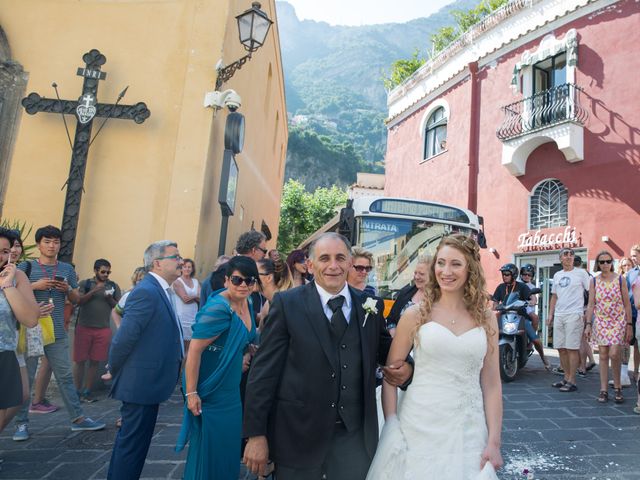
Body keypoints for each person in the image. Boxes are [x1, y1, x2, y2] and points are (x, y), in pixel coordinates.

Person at [242, 232, 412, 480]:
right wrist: (256, 435)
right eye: (324, 258)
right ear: (310, 265)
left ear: (349, 263)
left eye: (340, 258)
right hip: (298, 437)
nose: (333, 266)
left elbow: (387, 353)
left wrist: (408, 368)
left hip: (354, 442)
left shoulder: (370, 306)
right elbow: (263, 373)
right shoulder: (287, 304)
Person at [367, 234, 502, 479]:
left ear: (470, 268)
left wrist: (494, 440)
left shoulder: (486, 317)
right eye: (441, 263)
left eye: (455, 264)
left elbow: (492, 382)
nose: (446, 271)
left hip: (468, 429)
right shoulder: (415, 314)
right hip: (417, 424)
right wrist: (391, 424)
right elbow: (390, 375)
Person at [14, 225, 105, 441]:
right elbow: (12, 293)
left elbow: (76, 300)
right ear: (38, 244)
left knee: (64, 375)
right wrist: (36, 285)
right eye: (47, 241)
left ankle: (78, 419)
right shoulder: (24, 267)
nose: (51, 245)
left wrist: (67, 291)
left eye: (55, 242)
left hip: (56, 331)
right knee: (26, 377)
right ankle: (21, 424)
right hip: (31, 330)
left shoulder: (66, 269)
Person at [107, 240, 184, 480]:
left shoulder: (159, 290)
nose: (181, 261)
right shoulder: (146, 291)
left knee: (135, 447)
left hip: (148, 382)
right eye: (176, 257)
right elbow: (124, 338)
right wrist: (115, 368)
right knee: (131, 448)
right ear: (157, 263)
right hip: (140, 383)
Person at [175, 256, 259, 479]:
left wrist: (247, 348)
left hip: (231, 390)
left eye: (249, 281)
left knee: (227, 448)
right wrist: (192, 393)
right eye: (237, 280)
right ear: (226, 280)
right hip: (210, 389)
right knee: (208, 450)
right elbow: (194, 351)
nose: (243, 285)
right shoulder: (218, 309)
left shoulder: (248, 302)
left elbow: (241, 336)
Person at [0, 228, 39, 433]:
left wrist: (7, 285)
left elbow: (31, 319)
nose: (2, 255)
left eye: (5, 251)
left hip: (5, 352)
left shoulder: (17, 276)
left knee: (18, 396)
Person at [585, 250, 632, 403]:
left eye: (608, 261)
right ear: (598, 264)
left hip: (618, 320)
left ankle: (617, 386)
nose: (605, 264)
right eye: (602, 262)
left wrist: (629, 324)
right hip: (601, 320)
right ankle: (603, 390)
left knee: (614, 353)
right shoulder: (594, 281)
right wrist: (588, 324)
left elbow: (627, 304)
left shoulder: (620, 279)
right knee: (603, 355)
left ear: (612, 263)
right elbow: (591, 304)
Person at [74, 259, 121, 402]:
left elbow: (118, 307)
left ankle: (87, 391)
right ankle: (76, 392)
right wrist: (94, 291)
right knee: (80, 360)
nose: (106, 275)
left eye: (108, 272)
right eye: (103, 272)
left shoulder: (113, 286)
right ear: (95, 270)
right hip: (84, 327)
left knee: (95, 361)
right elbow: (79, 301)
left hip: (103, 329)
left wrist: (109, 298)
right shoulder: (85, 284)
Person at [546, 248, 590, 393]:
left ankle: (572, 380)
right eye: (566, 254)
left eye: (571, 254)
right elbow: (554, 296)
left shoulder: (581, 273)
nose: (569, 256)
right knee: (561, 348)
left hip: (574, 314)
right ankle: (566, 377)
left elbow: (592, 292)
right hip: (559, 315)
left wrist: (588, 312)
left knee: (572, 348)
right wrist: (550, 315)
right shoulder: (558, 275)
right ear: (560, 259)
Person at [492, 263, 550, 370]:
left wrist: (531, 302)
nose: (504, 276)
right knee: (490, 332)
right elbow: (495, 302)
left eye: (507, 274)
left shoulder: (522, 286)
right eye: (503, 274)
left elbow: (532, 298)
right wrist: (496, 306)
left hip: (520, 316)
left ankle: (543, 358)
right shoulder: (500, 287)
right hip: (504, 315)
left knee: (536, 340)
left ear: (513, 275)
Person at [385, 255, 430, 336]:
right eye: (415, 273)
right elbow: (391, 319)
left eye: (421, 274)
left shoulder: (439, 297)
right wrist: (394, 333)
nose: (416, 277)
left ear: (432, 275)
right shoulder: (405, 292)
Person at [172, 258, 200, 353]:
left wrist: (192, 297)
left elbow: (201, 298)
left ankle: (186, 367)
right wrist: (196, 297)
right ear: (181, 268)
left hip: (194, 316)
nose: (187, 269)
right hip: (182, 317)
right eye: (185, 267)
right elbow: (185, 299)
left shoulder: (196, 281)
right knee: (182, 347)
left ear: (192, 269)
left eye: (189, 267)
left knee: (191, 347)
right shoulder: (177, 282)